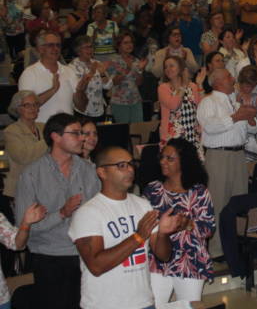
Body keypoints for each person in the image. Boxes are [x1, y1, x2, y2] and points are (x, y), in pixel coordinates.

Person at [69, 146, 185, 309]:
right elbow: (96, 266)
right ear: (102, 172)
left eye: (131, 164)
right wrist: (138, 237)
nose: (130, 170)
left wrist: (163, 234)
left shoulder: (143, 205)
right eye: (121, 165)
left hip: (143, 303)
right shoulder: (88, 213)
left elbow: (164, 256)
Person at [15, 113, 101, 309]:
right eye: (76, 133)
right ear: (55, 136)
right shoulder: (32, 174)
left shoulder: (88, 171)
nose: (83, 138)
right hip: (49, 258)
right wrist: (61, 213)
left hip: (85, 255)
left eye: (82, 133)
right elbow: (24, 229)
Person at [143, 139, 215, 303]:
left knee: (188, 306)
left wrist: (187, 224)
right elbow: (144, 224)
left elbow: (208, 228)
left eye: (170, 158)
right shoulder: (153, 189)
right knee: (154, 304)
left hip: (189, 259)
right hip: (157, 260)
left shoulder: (198, 191)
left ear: (184, 161)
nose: (163, 162)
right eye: (162, 157)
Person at [196, 68, 257, 258]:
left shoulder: (234, 101)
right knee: (219, 202)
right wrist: (236, 117)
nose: (233, 79)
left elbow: (251, 130)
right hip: (219, 156)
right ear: (217, 82)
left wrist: (249, 117)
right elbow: (210, 127)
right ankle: (216, 249)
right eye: (229, 76)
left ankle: (237, 244)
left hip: (239, 154)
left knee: (239, 201)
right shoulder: (208, 102)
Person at [18, 31, 79, 122]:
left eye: (58, 45)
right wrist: (53, 90)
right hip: (41, 130)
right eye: (50, 45)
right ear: (40, 49)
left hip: (66, 131)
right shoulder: (29, 73)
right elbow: (26, 108)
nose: (55, 49)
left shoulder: (69, 71)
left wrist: (81, 91)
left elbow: (81, 106)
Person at [3, 91, 47, 198]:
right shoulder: (11, 131)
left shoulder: (44, 127)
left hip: (44, 185)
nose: (33, 108)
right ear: (18, 108)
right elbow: (24, 156)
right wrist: (48, 139)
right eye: (27, 105)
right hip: (20, 188)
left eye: (35, 104)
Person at [158, 55, 204, 156]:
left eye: (171, 66)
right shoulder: (163, 88)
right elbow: (174, 105)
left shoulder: (192, 86)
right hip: (172, 136)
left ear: (181, 68)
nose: (168, 69)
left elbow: (201, 107)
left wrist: (199, 85)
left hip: (192, 134)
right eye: (166, 67)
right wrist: (183, 85)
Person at [106, 32, 148, 123]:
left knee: (137, 130)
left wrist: (141, 70)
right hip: (119, 102)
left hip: (135, 100)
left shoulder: (136, 60)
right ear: (118, 46)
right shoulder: (113, 60)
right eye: (125, 43)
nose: (129, 45)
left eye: (131, 42)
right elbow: (115, 82)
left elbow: (139, 83)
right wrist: (128, 67)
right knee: (123, 131)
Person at [69, 35, 112, 121]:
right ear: (78, 51)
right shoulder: (72, 67)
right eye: (86, 47)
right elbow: (78, 89)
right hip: (82, 111)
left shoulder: (97, 63)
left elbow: (108, 86)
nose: (90, 50)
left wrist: (102, 73)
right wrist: (91, 73)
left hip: (99, 110)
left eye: (91, 47)